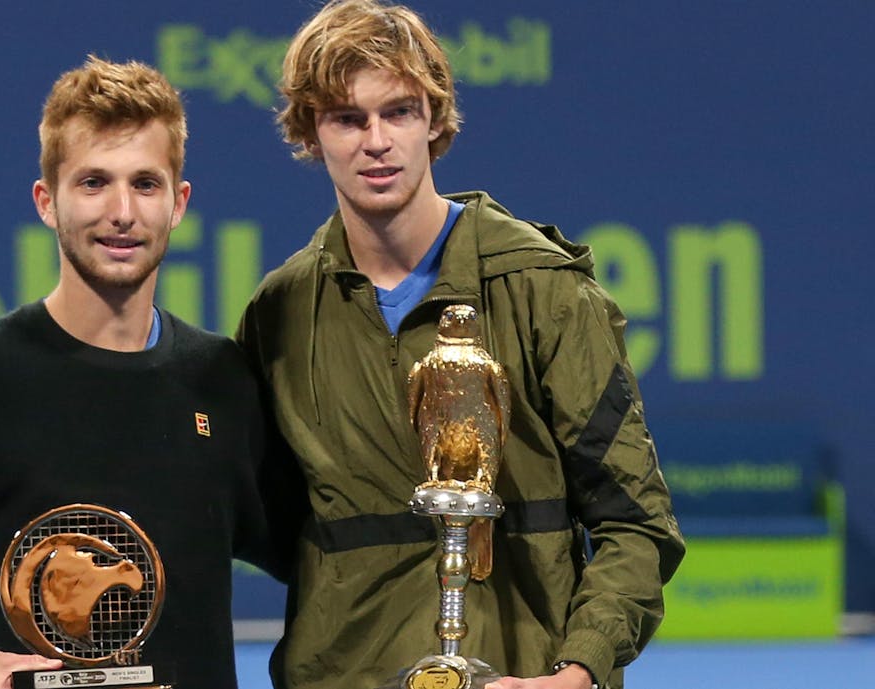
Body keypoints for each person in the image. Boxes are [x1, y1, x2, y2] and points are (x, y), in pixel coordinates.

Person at [236, 2, 685, 688]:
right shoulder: (281, 312)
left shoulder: (543, 288)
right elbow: (266, 525)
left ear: (436, 120)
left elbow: (636, 522)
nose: (376, 140)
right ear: (310, 132)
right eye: (347, 118)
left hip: (523, 674)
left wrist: (577, 671)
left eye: (399, 112)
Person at [0, 56, 283, 689]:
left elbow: (310, 545)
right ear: (47, 201)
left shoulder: (222, 380)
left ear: (179, 204)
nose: (122, 211)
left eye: (145, 184)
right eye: (93, 183)